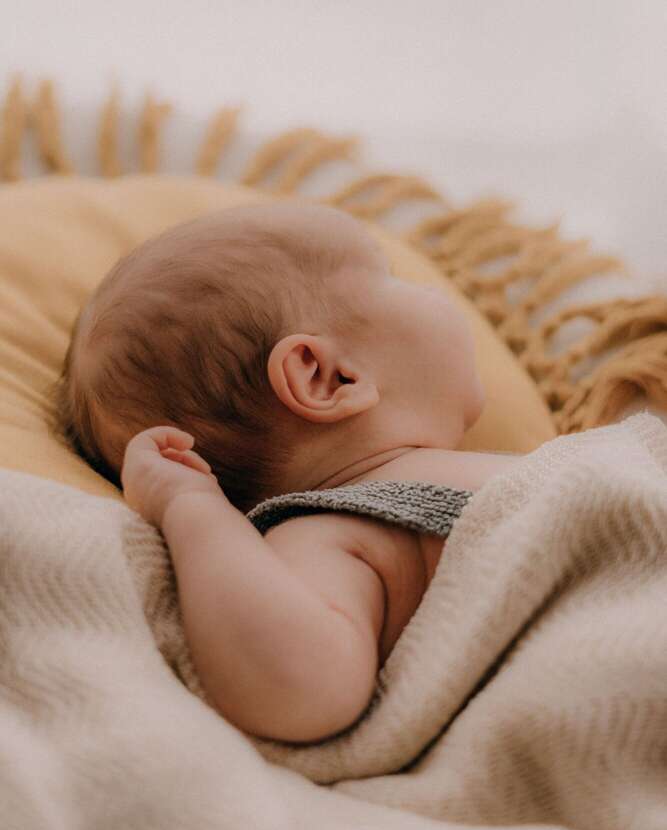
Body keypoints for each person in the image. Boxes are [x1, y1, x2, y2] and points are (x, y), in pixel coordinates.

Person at [55, 200, 522, 744]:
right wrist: (192, 510)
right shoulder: (326, 532)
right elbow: (298, 691)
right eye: (391, 276)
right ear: (327, 377)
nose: (432, 288)